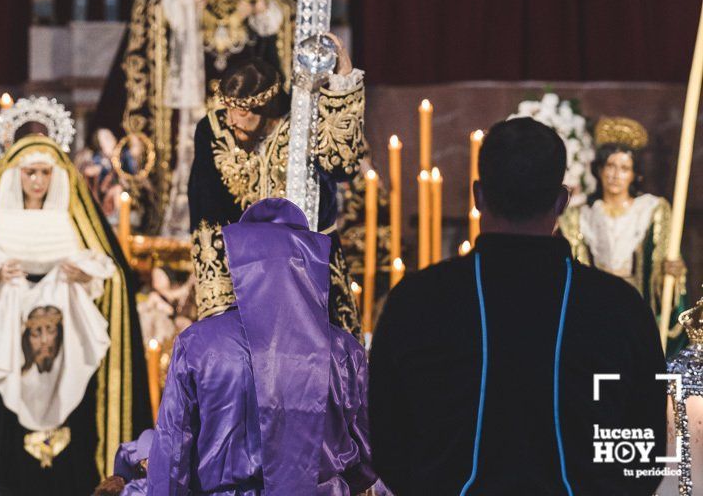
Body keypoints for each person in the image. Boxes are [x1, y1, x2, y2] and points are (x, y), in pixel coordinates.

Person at [369, 118, 667, 495]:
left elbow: (388, 444)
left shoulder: (417, 301)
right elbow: (645, 451)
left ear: (478, 196)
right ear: (562, 201)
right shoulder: (619, 307)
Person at [0, 135, 150, 495]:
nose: (37, 181)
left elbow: (109, 274)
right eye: (30, 172)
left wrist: (86, 276)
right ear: (16, 175)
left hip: (65, 352)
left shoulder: (70, 222)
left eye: (45, 173)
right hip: (10, 347)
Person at [147, 198, 376, 495]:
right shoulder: (345, 352)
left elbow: (171, 458)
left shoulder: (197, 346)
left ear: (240, 266)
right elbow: (370, 456)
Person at [95, 0, 296, 237]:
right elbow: (155, 9)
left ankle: (244, 224)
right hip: (196, 94)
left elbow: (278, 17)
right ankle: (196, 227)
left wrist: (255, 8)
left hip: (241, 88)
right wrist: (187, 5)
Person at [188, 36, 365, 335]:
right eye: (229, 108)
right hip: (245, 275)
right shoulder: (214, 130)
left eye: (242, 112)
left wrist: (344, 83)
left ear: (266, 107)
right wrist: (216, 301)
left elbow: (342, 164)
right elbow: (205, 211)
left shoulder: (302, 123)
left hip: (310, 269)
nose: (233, 120)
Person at [559, 116, 687, 355]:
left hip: (635, 301)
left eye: (624, 168)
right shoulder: (580, 215)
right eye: (610, 166)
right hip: (596, 305)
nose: (615, 175)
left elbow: (663, 262)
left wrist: (671, 271)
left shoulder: (651, 210)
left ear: (635, 174)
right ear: (599, 169)